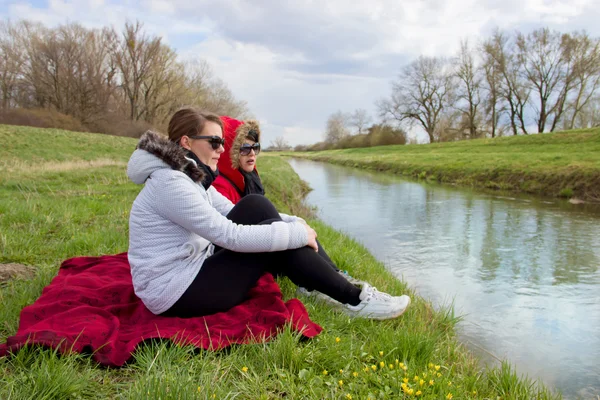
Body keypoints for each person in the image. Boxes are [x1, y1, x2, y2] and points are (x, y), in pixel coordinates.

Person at [126, 107, 411, 320]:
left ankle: (326, 282)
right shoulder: (171, 183)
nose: (222, 149)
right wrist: (295, 233)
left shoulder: (190, 177)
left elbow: (232, 212)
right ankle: (353, 298)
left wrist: (294, 221)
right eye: (214, 142)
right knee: (274, 240)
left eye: (223, 142)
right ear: (186, 143)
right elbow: (229, 235)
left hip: (192, 268)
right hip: (175, 293)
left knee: (256, 206)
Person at [212, 116, 362, 299]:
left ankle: (332, 275)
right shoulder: (220, 186)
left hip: (252, 247)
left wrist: (294, 223)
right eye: (244, 148)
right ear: (230, 152)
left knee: (295, 228)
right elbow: (235, 233)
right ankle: (319, 285)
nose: (252, 153)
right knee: (290, 234)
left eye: (255, 147)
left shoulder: (246, 179)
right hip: (238, 255)